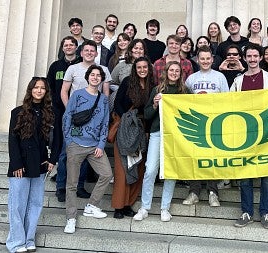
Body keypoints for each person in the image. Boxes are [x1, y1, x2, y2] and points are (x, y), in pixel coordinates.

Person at [133, 61, 191, 222]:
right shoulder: (157, 90)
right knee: (150, 169)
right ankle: (145, 207)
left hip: (176, 136)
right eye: (171, 70)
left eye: (177, 71)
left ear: (181, 74)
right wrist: (154, 104)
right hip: (157, 133)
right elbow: (147, 115)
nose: (174, 73)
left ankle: (165, 208)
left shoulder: (185, 92)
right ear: (166, 72)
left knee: (170, 172)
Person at [230, 43, 268, 229]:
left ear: (260, 58)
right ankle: (247, 212)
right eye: (249, 56)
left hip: (265, 134)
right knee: (245, 176)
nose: (252, 59)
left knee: (266, 176)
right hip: (245, 135)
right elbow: (230, 105)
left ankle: (266, 213)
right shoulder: (238, 81)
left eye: (255, 56)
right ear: (245, 58)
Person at [6, 77, 57, 253]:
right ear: (31, 90)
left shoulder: (50, 113)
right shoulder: (17, 112)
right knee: (18, 204)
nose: (39, 91)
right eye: (36, 87)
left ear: (46, 92)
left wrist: (52, 160)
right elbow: (13, 141)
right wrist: (16, 164)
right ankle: (16, 242)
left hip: (40, 164)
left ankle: (28, 239)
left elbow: (58, 139)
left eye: (43, 88)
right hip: (20, 165)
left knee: (35, 204)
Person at [63, 65, 112, 234]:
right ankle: (71, 218)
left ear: (101, 79)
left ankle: (91, 205)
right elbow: (67, 116)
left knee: (106, 174)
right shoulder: (77, 95)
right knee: (72, 184)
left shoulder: (104, 99)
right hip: (76, 144)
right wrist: (69, 140)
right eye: (93, 75)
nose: (96, 77)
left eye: (99, 75)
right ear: (87, 76)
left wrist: (100, 144)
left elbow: (106, 123)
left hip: (94, 147)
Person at [182, 45, 229, 207]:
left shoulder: (220, 77)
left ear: (212, 59)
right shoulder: (191, 79)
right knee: (195, 157)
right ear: (197, 59)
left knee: (212, 158)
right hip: (197, 123)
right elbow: (184, 102)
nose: (205, 61)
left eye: (208, 58)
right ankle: (194, 192)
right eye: (202, 58)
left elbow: (227, 100)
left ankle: (212, 193)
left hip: (215, 123)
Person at [112, 57, 153, 219]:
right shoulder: (128, 81)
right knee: (123, 168)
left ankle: (128, 204)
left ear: (148, 69)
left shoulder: (152, 85)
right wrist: (125, 120)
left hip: (141, 129)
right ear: (134, 69)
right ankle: (118, 206)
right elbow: (117, 104)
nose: (142, 70)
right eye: (139, 67)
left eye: (145, 67)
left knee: (138, 167)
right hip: (126, 127)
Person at [46, 36, 84, 202]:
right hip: (60, 113)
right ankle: (61, 186)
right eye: (65, 45)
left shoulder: (82, 65)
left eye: (71, 44)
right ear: (62, 48)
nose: (68, 47)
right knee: (63, 149)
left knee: (79, 149)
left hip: (80, 114)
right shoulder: (56, 66)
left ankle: (79, 186)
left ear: (76, 47)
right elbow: (49, 89)